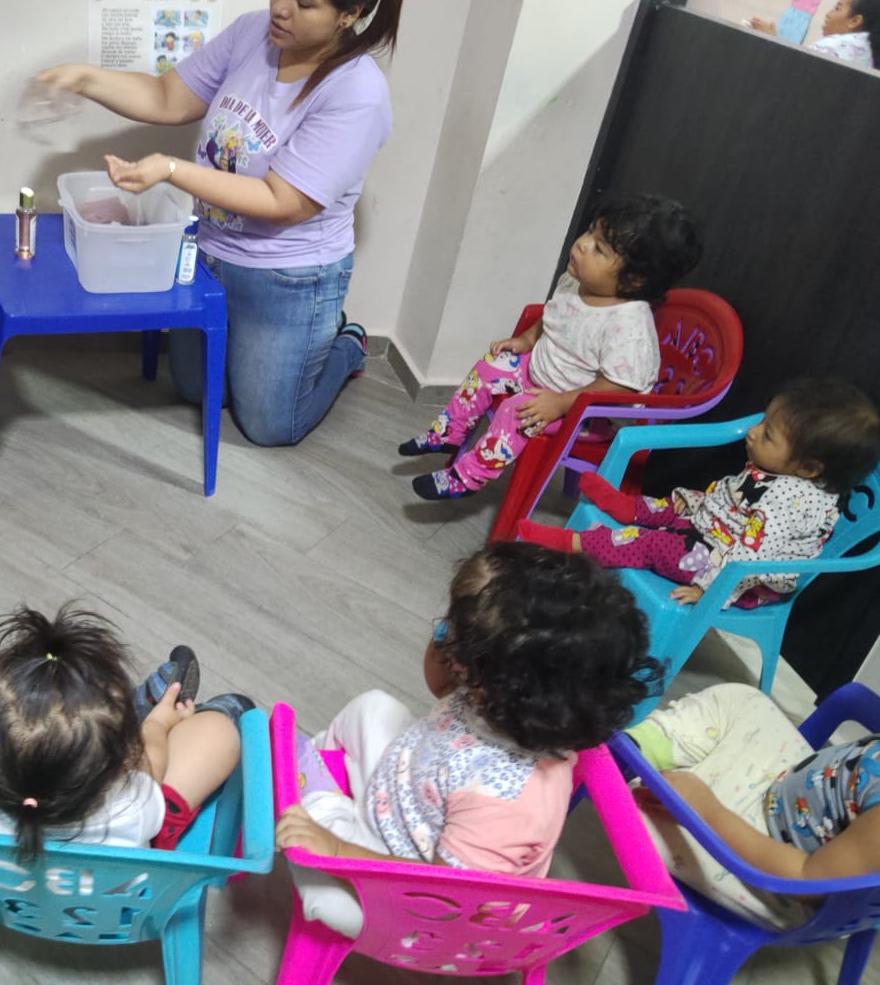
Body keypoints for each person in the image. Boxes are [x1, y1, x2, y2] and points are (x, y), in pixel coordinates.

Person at [35, 0, 410, 447]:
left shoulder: (357, 91)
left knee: (268, 427)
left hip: (288, 275)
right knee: (195, 390)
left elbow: (282, 201)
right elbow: (167, 97)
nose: (280, 7)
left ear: (349, 13)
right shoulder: (253, 33)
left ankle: (346, 342)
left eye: (303, 1)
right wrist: (85, 78)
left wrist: (170, 169)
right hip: (210, 254)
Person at [274, 543, 660, 938]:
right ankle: (322, 787)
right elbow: (440, 684)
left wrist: (336, 849)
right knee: (375, 706)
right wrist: (453, 639)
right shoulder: (511, 704)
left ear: (500, 684)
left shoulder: (509, 807)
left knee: (318, 870)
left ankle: (317, 794)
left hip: (412, 885)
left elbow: (439, 898)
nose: (445, 641)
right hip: (409, 799)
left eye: (454, 638)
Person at [0, 604, 253, 859]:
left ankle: (115, 717)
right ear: (123, 760)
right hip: (117, 899)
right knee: (218, 733)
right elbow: (152, 767)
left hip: (4, 895)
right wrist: (157, 727)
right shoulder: (129, 799)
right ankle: (139, 713)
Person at [399, 194, 701, 500]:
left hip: (582, 413)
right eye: (590, 231)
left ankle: (468, 477)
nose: (582, 244)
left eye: (599, 248)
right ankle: (449, 432)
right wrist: (527, 339)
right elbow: (553, 315)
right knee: (490, 365)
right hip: (541, 373)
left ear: (633, 279)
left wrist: (560, 403)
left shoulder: (628, 325)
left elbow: (622, 385)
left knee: (516, 412)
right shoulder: (575, 281)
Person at [518, 377, 880, 607]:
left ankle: (575, 543)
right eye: (762, 421)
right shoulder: (784, 472)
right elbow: (732, 504)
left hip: (734, 573)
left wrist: (711, 592)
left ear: (809, 468)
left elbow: (750, 559)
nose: (753, 432)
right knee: (677, 504)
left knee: (652, 545)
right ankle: (630, 508)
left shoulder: (790, 503)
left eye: (768, 434)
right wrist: (699, 507)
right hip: (721, 531)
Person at [627, 682, 880, 927]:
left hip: (774, 871)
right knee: (741, 699)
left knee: (631, 810)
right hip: (783, 795)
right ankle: (637, 746)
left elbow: (808, 881)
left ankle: (619, 763)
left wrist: (707, 810)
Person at [751, 0, 880, 69]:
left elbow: (790, 73)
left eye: (837, 8)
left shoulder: (838, 45)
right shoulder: (867, 53)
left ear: (855, 21)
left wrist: (772, 41)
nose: (828, 14)